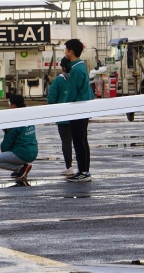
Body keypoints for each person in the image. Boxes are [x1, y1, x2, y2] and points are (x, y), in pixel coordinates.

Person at [61, 38, 94, 182]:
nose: (65, 52)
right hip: (84, 109)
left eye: (66, 50)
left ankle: (83, 171)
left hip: (77, 110)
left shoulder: (76, 69)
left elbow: (72, 92)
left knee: (79, 141)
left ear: (71, 52)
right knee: (82, 140)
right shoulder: (80, 66)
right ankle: (84, 170)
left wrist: (64, 108)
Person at [0, 93, 38, 182]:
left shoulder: (15, 121)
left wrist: (6, 132)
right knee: (17, 146)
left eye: (9, 104)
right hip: (33, 151)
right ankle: (20, 170)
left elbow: (6, 146)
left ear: (13, 105)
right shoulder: (28, 117)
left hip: (23, 153)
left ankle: (20, 169)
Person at [47, 58, 74, 177]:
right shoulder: (76, 78)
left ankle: (69, 167)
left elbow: (51, 98)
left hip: (63, 119)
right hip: (78, 116)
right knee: (81, 142)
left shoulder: (58, 81)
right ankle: (83, 168)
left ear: (63, 67)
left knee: (66, 143)